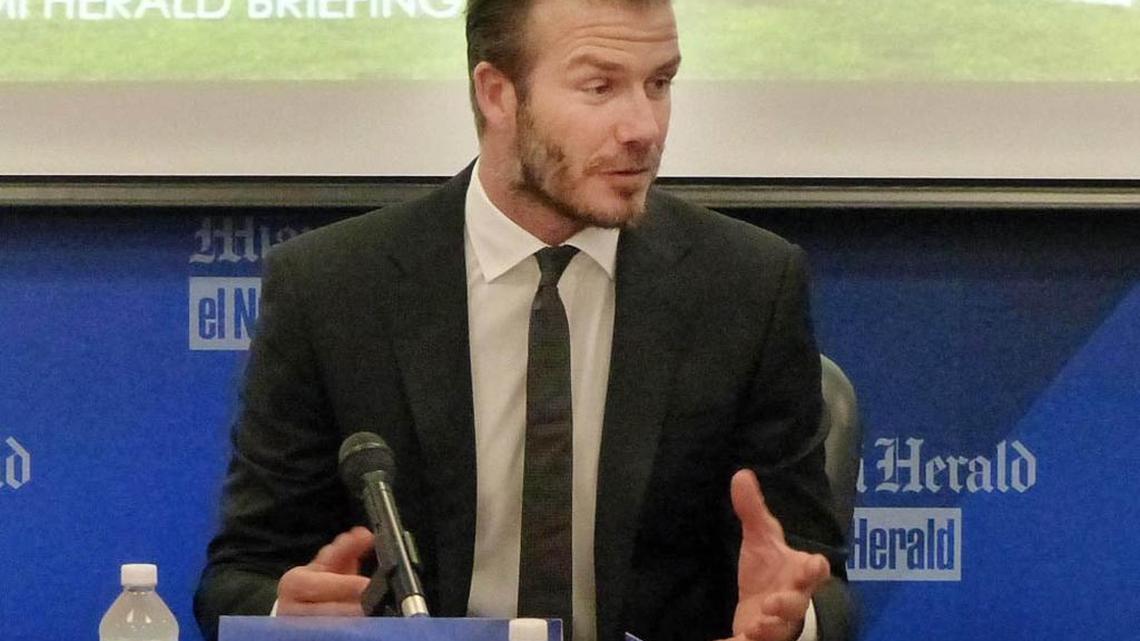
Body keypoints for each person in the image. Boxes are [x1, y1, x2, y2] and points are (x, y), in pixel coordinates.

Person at [194, 1, 853, 640]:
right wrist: (288, 613)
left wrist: (791, 620)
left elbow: (816, 578)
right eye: (600, 87)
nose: (643, 127)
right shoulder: (333, 289)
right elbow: (240, 577)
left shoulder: (746, 285)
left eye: (659, 83)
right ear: (497, 93)